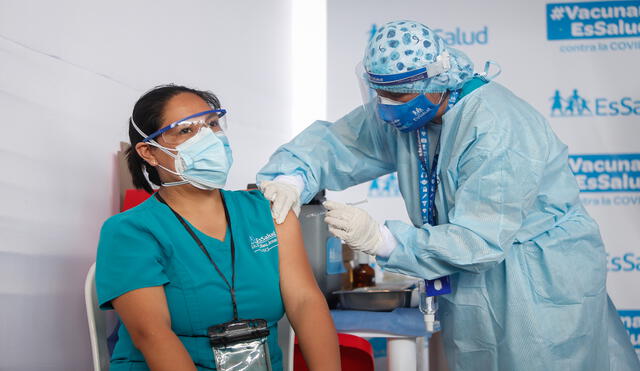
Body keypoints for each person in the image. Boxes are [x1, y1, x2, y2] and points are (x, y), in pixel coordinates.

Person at [257, 20, 640, 371]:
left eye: (397, 95)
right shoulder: (412, 113)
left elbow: (480, 238)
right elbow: (338, 144)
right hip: (472, 276)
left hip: (538, 280)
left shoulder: (496, 128)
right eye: (380, 94)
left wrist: (383, 240)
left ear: (435, 83)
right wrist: (291, 178)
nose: (385, 106)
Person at [96, 85, 341, 371]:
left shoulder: (268, 210)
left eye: (212, 124)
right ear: (149, 152)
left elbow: (305, 303)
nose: (208, 137)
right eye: (186, 130)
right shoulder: (130, 231)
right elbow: (152, 335)